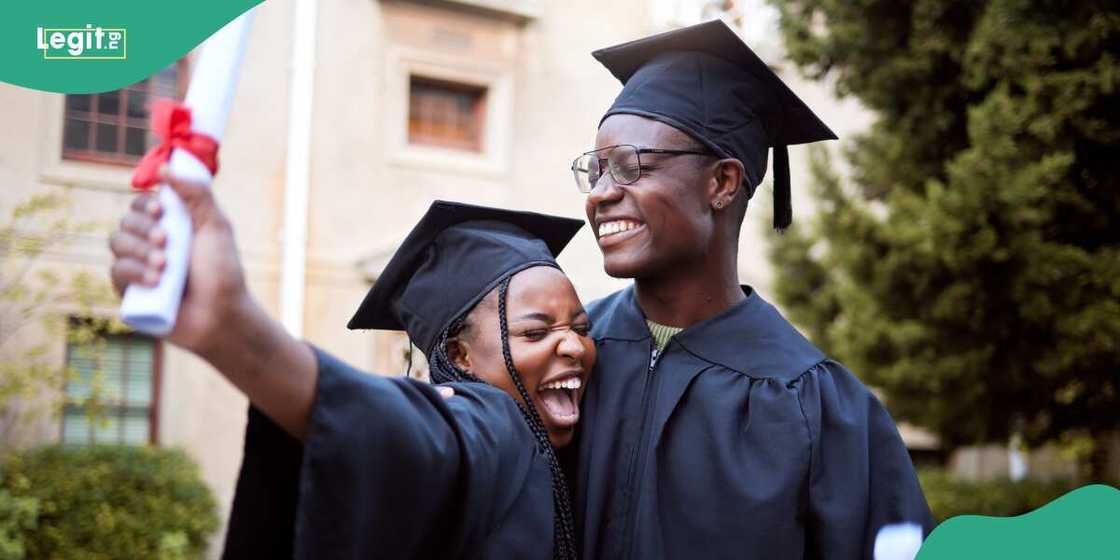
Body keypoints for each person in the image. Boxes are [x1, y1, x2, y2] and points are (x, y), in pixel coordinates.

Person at [566, 20, 934, 559]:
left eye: (629, 167)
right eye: (595, 170)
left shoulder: (818, 406)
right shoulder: (567, 358)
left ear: (722, 183)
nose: (600, 195)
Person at [108, 179, 594, 559]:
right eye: (535, 333)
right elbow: (402, 428)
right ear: (461, 358)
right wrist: (235, 332)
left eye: (581, 327)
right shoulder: (491, 423)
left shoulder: (557, 439)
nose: (572, 344)